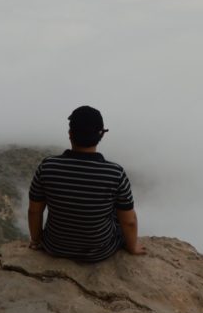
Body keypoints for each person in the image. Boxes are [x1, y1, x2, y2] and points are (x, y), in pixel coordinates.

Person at [27, 106, 146, 260]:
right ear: (101, 135)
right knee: (122, 212)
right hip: (99, 252)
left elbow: (34, 211)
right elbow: (129, 222)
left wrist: (36, 241)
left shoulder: (47, 166)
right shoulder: (115, 173)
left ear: (70, 134)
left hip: (54, 247)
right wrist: (132, 247)